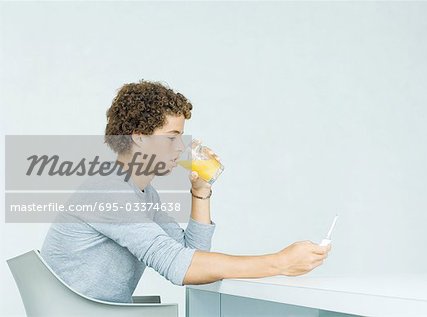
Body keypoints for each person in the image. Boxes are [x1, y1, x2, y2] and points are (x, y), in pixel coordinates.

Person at [41, 80, 331, 303]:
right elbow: (180, 267)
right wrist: (279, 262)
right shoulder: (108, 191)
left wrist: (200, 191)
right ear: (139, 138)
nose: (181, 148)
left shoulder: (142, 193)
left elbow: (192, 258)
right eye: (172, 137)